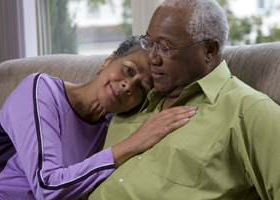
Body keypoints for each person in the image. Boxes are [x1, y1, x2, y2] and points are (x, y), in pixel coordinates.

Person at [88, 0, 280, 200]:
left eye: (165, 48)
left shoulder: (248, 111)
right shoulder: (131, 100)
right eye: (149, 43)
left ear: (209, 51)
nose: (152, 58)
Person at [0, 35, 197, 200]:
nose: (127, 86)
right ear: (109, 60)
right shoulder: (40, 91)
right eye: (129, 70)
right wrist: (134, 143)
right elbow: (47, 187)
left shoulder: (112, 127)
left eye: (141, 87)